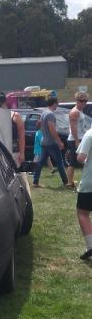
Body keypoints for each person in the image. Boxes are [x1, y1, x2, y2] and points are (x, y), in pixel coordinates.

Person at [32, 96, 69, 188]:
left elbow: (38, 124)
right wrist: (59, 142)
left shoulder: (44, 113)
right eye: (57, 103)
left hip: (44, 141)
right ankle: (66, 182)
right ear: (54, 103)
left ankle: (35, 182)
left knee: (40, 163)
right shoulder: (50, 114)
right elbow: (52, 129)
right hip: (51, 143)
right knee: (60, 163)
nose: (58, 105)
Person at [66, 92, 89, 188]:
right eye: (81, 101)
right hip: (75, 139)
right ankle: (69, 182)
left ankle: (70, 182)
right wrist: (77, 141)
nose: (84, 103)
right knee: (72, 162)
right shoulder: (74, 112)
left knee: (77, 161)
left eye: (85, 101)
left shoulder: (80, 111)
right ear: (77, 101)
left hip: (80, 138)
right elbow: (73, 128)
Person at [76, 126, 92, 260]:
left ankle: (91, 247)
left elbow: (81, 158)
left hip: (90, 182)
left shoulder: (90, 134)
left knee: (82, 212)